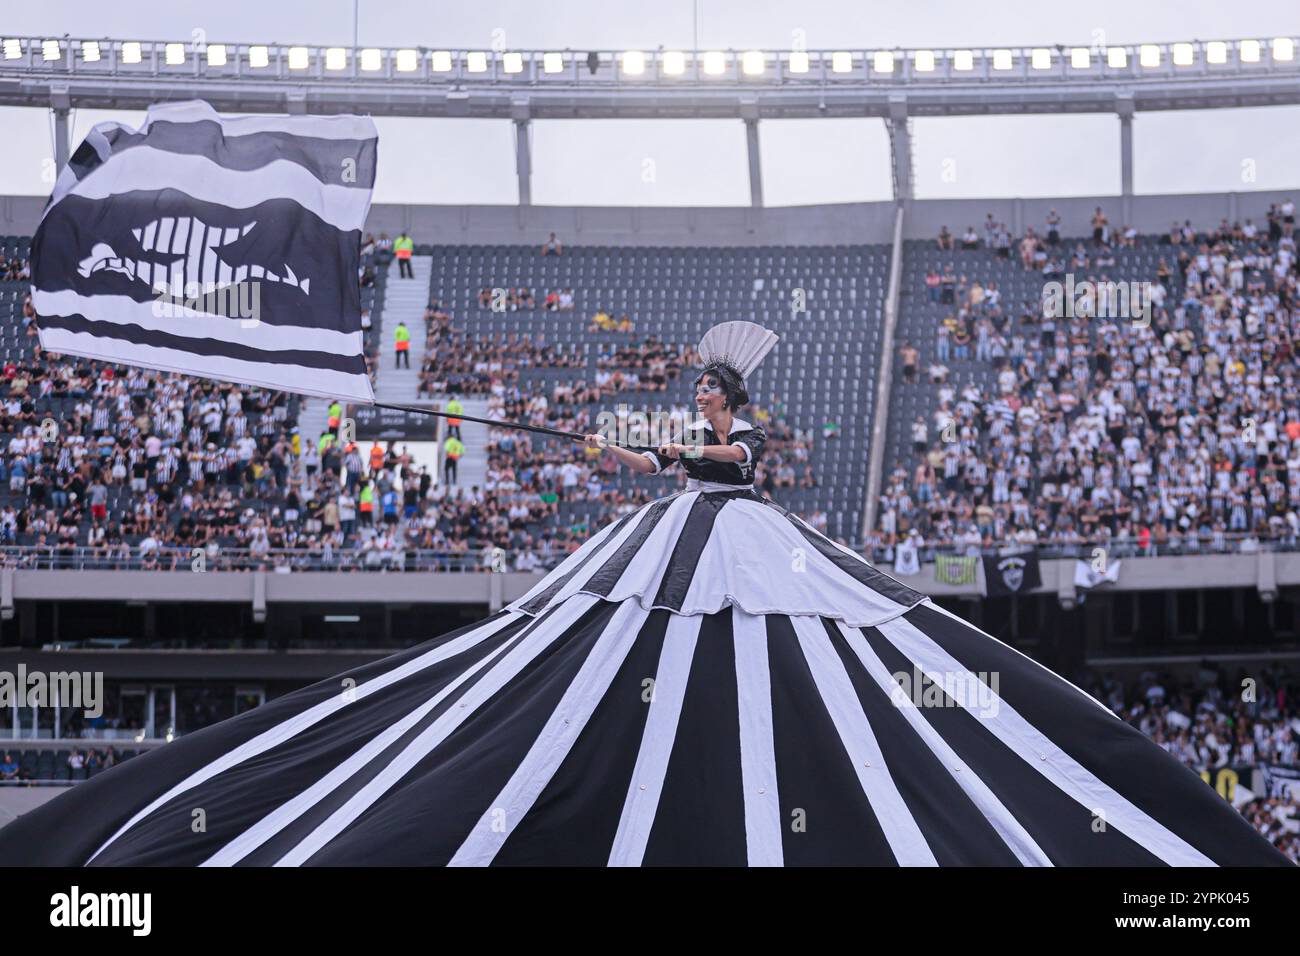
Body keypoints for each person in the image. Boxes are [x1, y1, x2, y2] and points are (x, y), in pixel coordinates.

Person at [2, 325, 1290, 868]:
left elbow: (738, 468)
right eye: (706, 402)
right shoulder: (693, 437)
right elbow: (679, 462)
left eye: (715, 401)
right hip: (686, 539)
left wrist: (680, 453)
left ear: (732, 402)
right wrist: (633, 456)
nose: (709, 408)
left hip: (750, 555)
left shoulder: (740, 441)